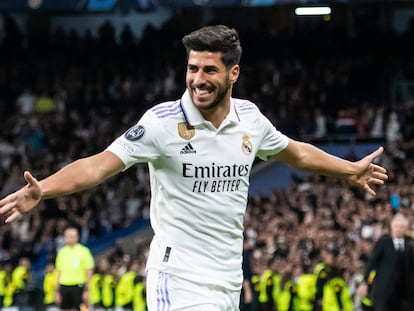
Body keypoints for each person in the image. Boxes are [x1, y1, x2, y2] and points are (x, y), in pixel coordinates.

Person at [0, 25, 388, 311]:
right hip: (178, 276)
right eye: (192, 69)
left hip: (227, 279)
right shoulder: (162, 122)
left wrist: (348, 170)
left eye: (209, 70)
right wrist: (44, 189)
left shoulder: (250, 119)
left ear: (233, 73)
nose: (197, 80)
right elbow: (100, 165)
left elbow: (297, 153)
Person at [356, 213, 414, 311]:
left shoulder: (409, 244)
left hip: (403, 294)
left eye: (402, 227)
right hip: (384, 292)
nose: (399, 229)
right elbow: (372, 263)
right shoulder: (384, 242)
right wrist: (364, 282)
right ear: (392, 227)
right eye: (396, 226)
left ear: (405, 229)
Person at [54, 225, 95, 311]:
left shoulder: (84, 251)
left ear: (77, 237)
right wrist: (56, 291)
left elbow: (89, 270)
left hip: (79, 285)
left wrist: (87, 289)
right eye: (68, 236)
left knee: (80, 309)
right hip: (64, 285)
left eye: (72, 236)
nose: (70, 238)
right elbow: (58, 272)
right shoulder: (61, 252)